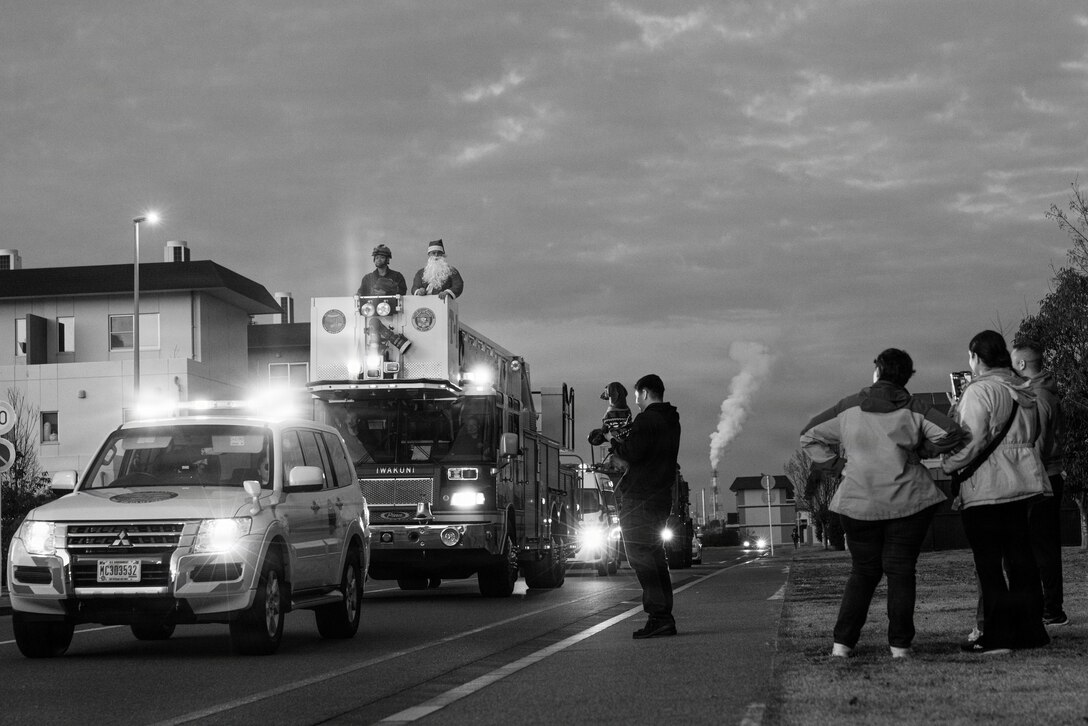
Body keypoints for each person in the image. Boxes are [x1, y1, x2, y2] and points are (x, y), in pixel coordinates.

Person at [800, 348, 967, 659]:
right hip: (908, 502)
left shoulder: (848, 407)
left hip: (858, 501)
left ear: (876, 371)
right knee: (901, 571)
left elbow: (808, 436)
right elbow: (953, 432)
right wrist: (923, 450)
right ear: (906, 377)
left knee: (862, 573)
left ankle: (842, 645)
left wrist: (838, 467)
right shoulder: (916, 408)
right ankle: (900, 646)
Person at [942, 330, 1051, 655]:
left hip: (988, 487)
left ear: (976, 357)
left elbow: (973, 441)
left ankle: (998, 637)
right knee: (1022, 559)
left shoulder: (979, 392)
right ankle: (1032, 631)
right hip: (1023, 482)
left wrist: (949, 464)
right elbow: (1033, 435)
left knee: (989, 565)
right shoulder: (1023, 389)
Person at [602, 374, 681, 639]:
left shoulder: (647, 420)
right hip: (660, 498)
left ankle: (658, 616)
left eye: (637, 396)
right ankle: (663, 616)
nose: (635, 402)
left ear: (645, 393)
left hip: (640, 498)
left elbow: (633, 452)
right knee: (655, 556)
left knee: (640, 556)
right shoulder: (671, 421)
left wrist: (614, 446)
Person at [1012, 337, 1068, 627]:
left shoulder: (1040, 396)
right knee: (1042, 545)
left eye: (1013, 361)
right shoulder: (1042, 391)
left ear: (1021, 363)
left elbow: (1042, 443)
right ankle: (1048, 607)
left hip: (1043, 476)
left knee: (1042, 547)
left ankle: (1051, 610)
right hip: (1047, 474)